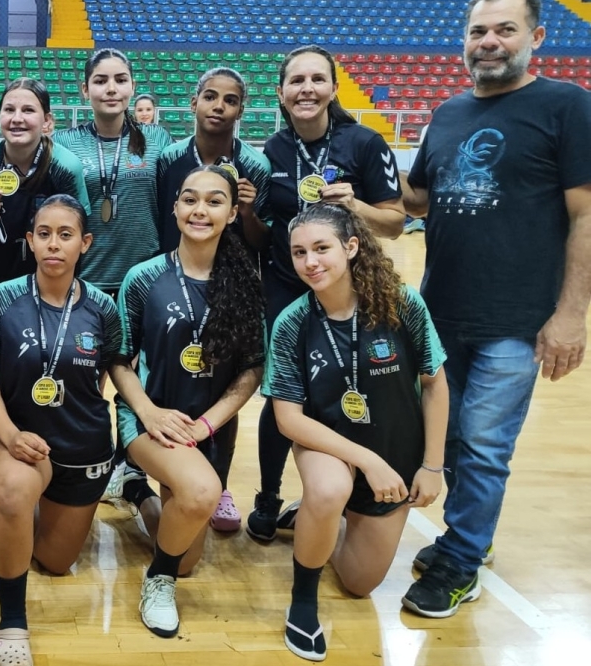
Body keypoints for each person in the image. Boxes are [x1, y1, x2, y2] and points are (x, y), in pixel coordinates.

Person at [399, 0, 591, 618]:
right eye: (478, 31)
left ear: (537, 37)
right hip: (440, 313)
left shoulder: (566, 105)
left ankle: (459, 563)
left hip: (517, 318)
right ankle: (468, 538)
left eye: (505, 30)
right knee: (448, 436)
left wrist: (571, 315)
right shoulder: (448, 112)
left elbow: (586, 214)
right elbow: (417, 200)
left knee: (484, 443)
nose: (489, 42)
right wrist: (357, 162)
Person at [263, 203, 448, 661]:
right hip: (330, 447)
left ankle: (319, 518)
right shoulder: (291, 323)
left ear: (350, 247)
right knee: (329, 489)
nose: (310, 262)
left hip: (396, 455)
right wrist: (366, 460)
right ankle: (302, 601)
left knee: (359, 583)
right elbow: (289, 420)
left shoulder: (401, 303)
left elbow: (434, 384)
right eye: (299, 252)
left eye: (321, 248)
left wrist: (432, 466)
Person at [248, 44, 406, 543]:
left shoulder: (365, 143)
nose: (307, 89)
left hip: (348, 294)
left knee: (352, 385)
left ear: (334, 88)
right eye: (296, 81)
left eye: (317, 79)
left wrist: (355, 205)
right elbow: (263, 230)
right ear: (281, 93)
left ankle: (349, 488)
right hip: (284, 291)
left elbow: (396, 222)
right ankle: (268, 497)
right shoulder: (272, 149)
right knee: (283, 396)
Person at [110, 166, 264, 638]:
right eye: (190, 199)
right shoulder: (143, 277)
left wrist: (206, 425)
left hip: (209, 427)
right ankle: (158, 581)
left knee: (189, 557)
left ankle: (135, 491)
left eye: (214, 201)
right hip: (149, 418)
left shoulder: (245, 281)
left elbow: (252, 369)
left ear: (232, 213)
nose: (200, 210)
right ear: (175, 207)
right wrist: (148, 412)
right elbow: (118, 361)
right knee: (198, 497)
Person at [0, 195, 120, 666]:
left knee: (55, 562)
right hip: (16, 441)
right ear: (30, 241)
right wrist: (10, 435)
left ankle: (13, 503)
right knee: (14, 491)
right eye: (45, 234)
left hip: (83, 448)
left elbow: (101, 379)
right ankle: (12, 621)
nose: (54, 244)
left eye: (66, 235)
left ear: (84, 243)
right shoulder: (0, 299)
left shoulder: (103, 307)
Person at [146, 66, 272, 533]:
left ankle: (219, 484)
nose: (219, 106)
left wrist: (249, 212)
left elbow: (261, 241)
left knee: (220, 385)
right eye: (211, 96)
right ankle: (145, 464)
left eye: (230, 100)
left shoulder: (255, 164)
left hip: (228, 286)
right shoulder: (170, 157)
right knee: (164, 376)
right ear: (194, 102)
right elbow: (163, 217)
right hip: (176, 280)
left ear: (242, 109)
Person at [53, 48, 172, 296]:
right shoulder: (63, 143)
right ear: (85, 89)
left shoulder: (157, 138)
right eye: (100, 81)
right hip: (83, 281)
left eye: (120, 80)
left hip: (146, 280)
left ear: (132, 86)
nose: (111, 89)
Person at [0, 78, 89, 298]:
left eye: (28, 110)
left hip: (54, 287)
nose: (17, 118)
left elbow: (77, 236)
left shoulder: (66, 167)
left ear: (47, 120)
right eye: (9, 110)